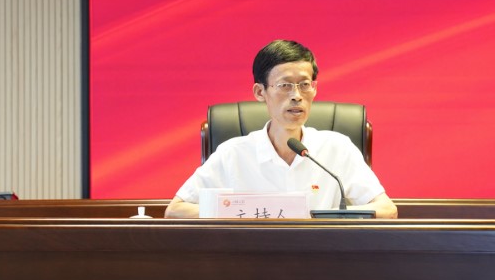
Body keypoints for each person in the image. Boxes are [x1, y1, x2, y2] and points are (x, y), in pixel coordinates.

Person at [164, 40, 397, 219]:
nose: (297, 96)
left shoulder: (337, 148)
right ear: (260, 92)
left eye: (305, 85)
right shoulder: (233, 153)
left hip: (321, 259)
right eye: (285, 85)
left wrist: (320, 220)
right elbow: (175, 210)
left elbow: (387, 210)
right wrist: (247, 215)